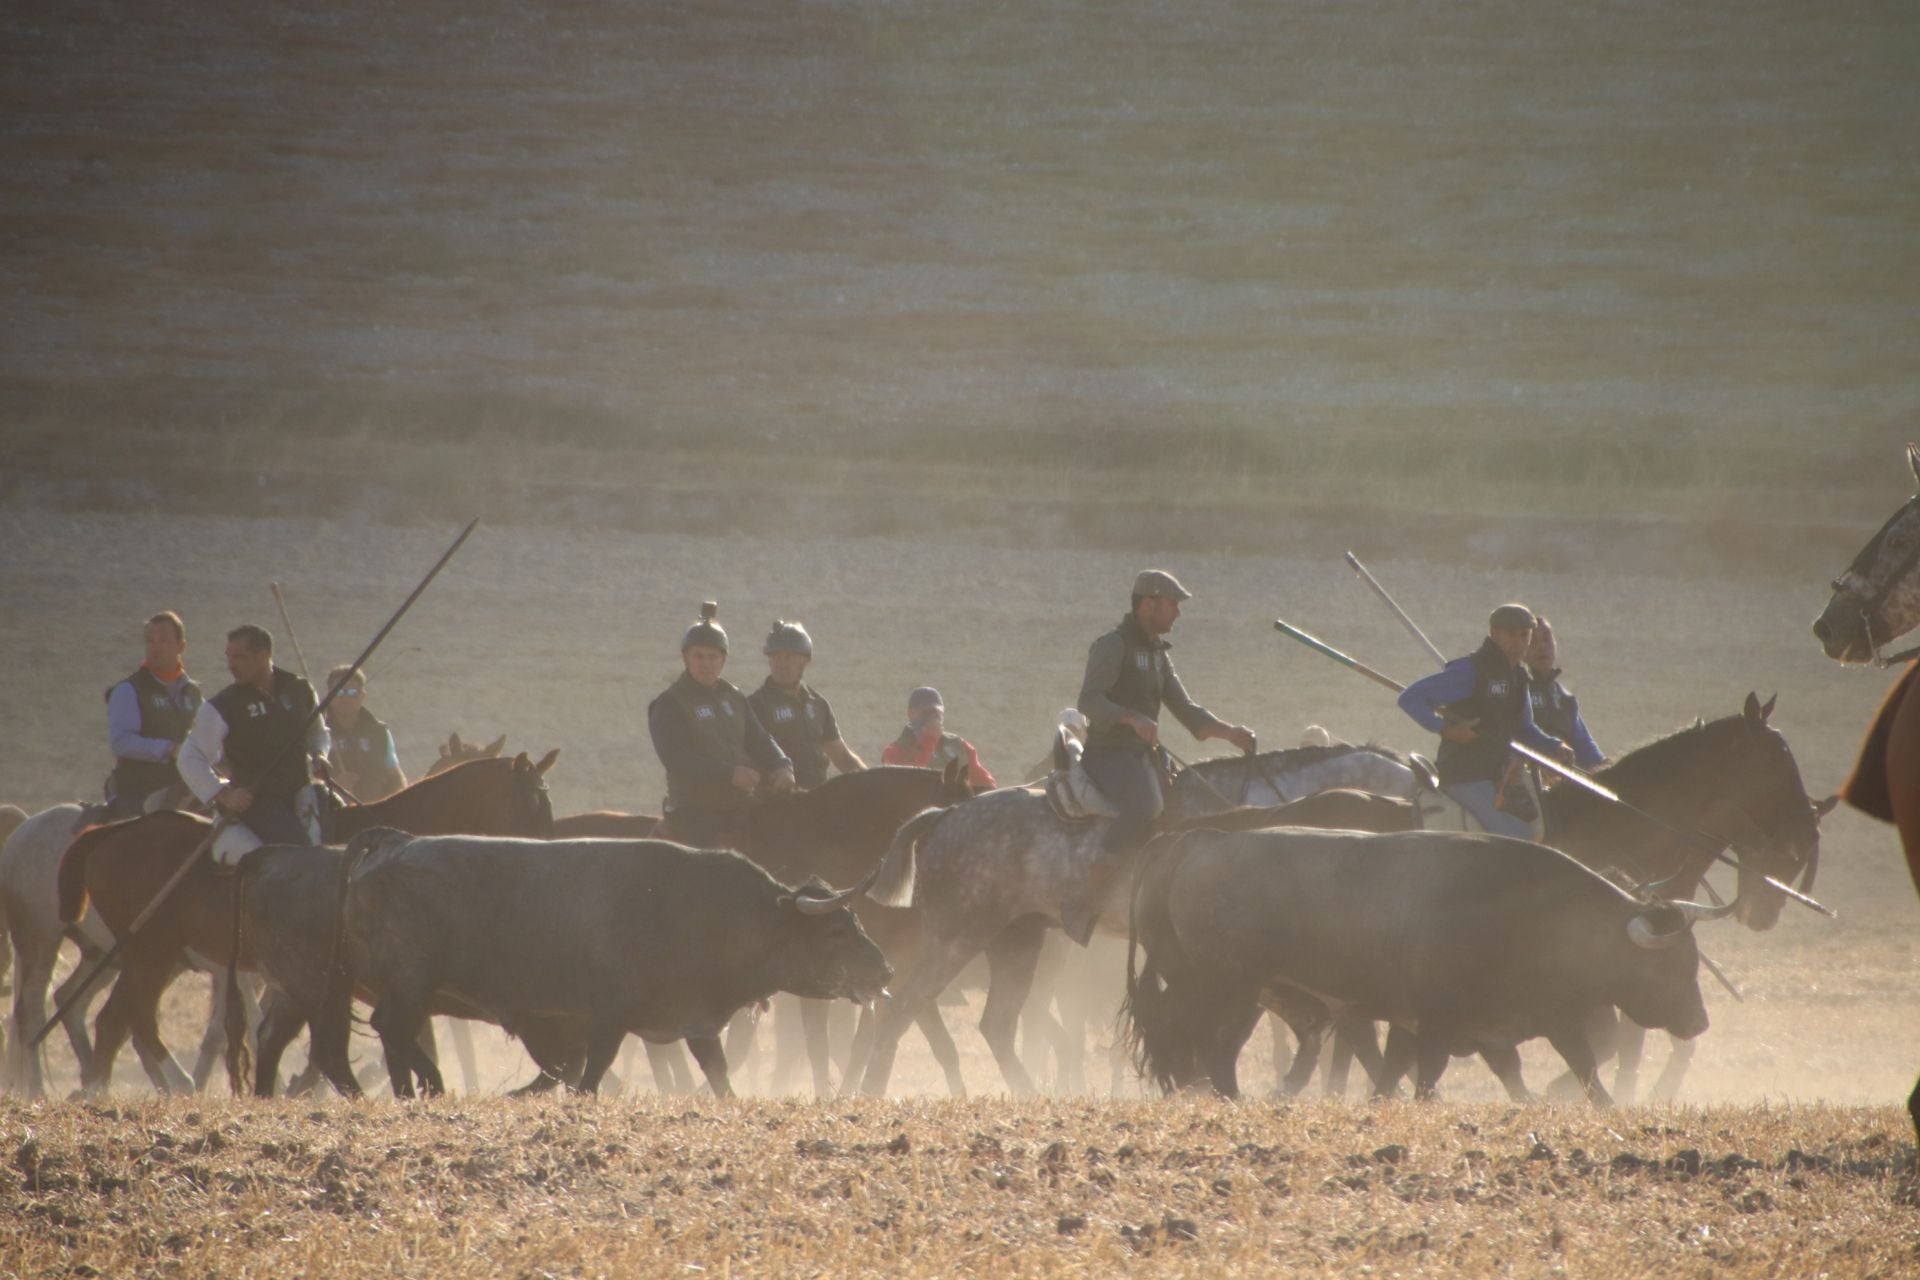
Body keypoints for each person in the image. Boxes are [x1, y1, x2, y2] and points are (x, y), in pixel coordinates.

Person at [1061, 569, 1258, 945]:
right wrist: (1130, 718)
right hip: (1108, 755)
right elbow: (1089, 700)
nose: (1178, 615)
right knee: (1145, 808)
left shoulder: (1158, 657)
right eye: (1173, 605)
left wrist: (1229, 733)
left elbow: (1187, 711)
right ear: (1148, 604)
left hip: (1141, 758)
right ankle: (1083, 901)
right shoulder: (1112, 645)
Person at [1397, 603, 1573, 839]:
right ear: (1494, 633)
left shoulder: (1519, 677)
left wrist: (1554, 746)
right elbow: (1411, 698)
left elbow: (1525, 728)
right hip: (1465, 775)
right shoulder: (1470, 671)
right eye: (1511, 634)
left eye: (1524, 635)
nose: (1519, 643)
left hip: (1499, 775)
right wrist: (1446, 730)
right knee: (1517, 836)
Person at [647, 603, 794, 848]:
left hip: (740, 805)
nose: (706, 663)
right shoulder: (670, 703)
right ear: (686, 658)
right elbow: (676, 758)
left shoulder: (734, 698)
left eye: (712, 656)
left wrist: (782, 765)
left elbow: (759, 739)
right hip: (694, 812)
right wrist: (729, 773)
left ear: (723, 659)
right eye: (699, 656)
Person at [178, 624, 330, 848]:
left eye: (240, 657)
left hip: (301, 792)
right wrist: (224, 795)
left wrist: (319, 754)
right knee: (297, 850)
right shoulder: (223, 705)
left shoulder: (300, 689)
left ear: (264, 656)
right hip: (257, 802)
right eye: (229, 657)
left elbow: (317, 731)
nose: (232, 665)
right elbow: (189, 758)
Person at [103, 611, 204, 818]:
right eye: (150, 641)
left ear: (181, 647)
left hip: (185, 786)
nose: (155, 647)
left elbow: (206, 737)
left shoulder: (194, 694)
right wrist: (168, 749)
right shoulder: (129, 690)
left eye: (164, 641)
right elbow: (121, 741)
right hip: (139, 790)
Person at [746, 620, 865, 791]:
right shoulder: (755, 705)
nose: (781, 664)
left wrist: (874, 782)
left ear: (805, 661)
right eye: (775, 657)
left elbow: (842, 757)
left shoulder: (818, 704)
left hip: (818, 798)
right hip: (777, 802)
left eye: (788, 657)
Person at [1524, 616, 1605, 770]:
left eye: (1546, 639)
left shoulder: (1565, 698)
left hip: (1564, 780)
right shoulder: (1517, 690)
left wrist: (1605, 766)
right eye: (1533, 641)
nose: (1541, 646)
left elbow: (1585, 745)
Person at [880, 687, 996, 788]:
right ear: (910, 714)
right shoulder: (894, 751)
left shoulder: (959, 746)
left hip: (956, 810)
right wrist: (928, 740)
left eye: (937, 713)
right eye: (926, 712)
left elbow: (985, 784)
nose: (933, 718)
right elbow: (907, 785)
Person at [323, 664, 408, 801]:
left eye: (352, 693)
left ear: (363, 696)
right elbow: (308, 780)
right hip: (334, 812)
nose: (345, 698)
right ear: (329, 696)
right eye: (339, 692)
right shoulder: (318, 732)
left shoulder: (379, 732)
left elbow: (396, 777)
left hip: (375, 812)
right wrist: (334, 785)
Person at [1023, 707, 1089, 784]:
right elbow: (1028, 781)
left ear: (1084, 732)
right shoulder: (1051, 760)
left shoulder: (1095, 757)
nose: (1069, 735)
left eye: (1074, 730)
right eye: (1065, 732)